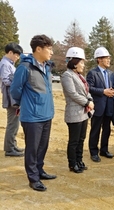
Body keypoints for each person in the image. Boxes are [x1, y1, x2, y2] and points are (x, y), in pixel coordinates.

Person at [10, 35, 56, 192]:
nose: (51, 52)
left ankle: (40, 170)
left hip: (47, 114)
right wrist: (25, 103)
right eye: (49, 49)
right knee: (32, 148)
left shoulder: (47, 67)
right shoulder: (25, 68)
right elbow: (15, 90)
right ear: (38, 49)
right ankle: (33, 178)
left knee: (43, 146)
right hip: (32, 116)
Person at [61, 47, 94, 173]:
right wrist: (87, 102)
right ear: (74, 62)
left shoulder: (80, 76)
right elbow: (72, 94)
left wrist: (90, 100)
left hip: (84, 113)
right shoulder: (67, 75)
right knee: (74, 140)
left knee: (81, 139)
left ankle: (79, 160)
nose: (83, 65)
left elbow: (86, 91)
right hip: (74, 113)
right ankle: (72, 163)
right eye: (82, 62)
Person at [86, 47, 114, 162]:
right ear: (99, 59)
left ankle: (104, 150)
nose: (109, 60)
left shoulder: (110, 73)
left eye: (109, 58)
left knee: (107, 129)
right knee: (95, 130)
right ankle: (93, 152)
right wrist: (103, 91)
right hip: (98, 106)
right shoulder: (93, 73)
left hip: (109, 106)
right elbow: (89, 88)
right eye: (106, 58)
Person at [0, 42, 24, 156]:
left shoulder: (9, 64)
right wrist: (17, 83)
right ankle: (9, 149)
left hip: (13, 98)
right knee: (12, 124)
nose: (17, 58)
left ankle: (12, 145)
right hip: (11, 99)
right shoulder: (5, 64)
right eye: (16, 55)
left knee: (15, 123)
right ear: (10, 52)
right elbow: (5, 80)